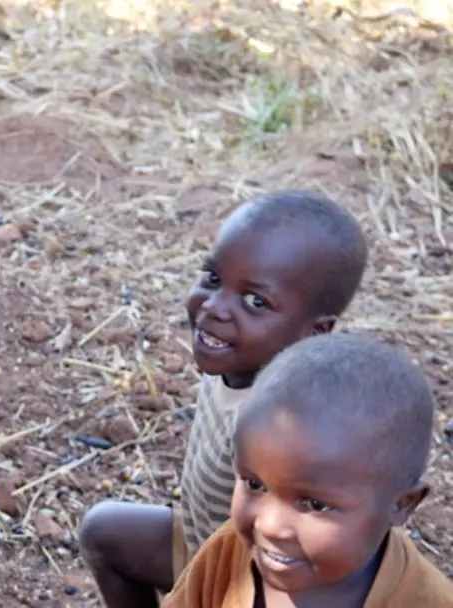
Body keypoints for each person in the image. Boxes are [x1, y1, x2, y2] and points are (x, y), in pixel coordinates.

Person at [77, 190, 369, 607]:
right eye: (214, 279)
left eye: (256, 301)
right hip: (201, 548)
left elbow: (295, 563)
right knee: (105, 531)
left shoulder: (285, 429)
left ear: (314, 332)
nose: (214, 307)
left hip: (250, 585)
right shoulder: (236, 359)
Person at [162, 333, 453, 607]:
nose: (270, 526)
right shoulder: (228, 554)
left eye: (315, 505)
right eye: (255, 484)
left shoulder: (425, 600)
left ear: (402, 504)